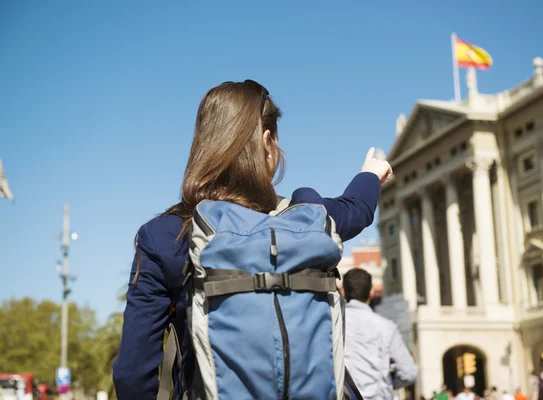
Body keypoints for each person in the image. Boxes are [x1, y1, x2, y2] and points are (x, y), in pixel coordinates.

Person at [112, 79, 392, 399]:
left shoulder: (164, 236)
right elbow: (355, 209)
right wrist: (371, 174)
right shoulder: (307, 221)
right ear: (266, 141)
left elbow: (133, 374)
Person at [342, 268, 418, 400]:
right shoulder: (386, 327)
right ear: (372, 292)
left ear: (343, 292)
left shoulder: (333, 325)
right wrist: (388, 382)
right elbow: (409, 372)